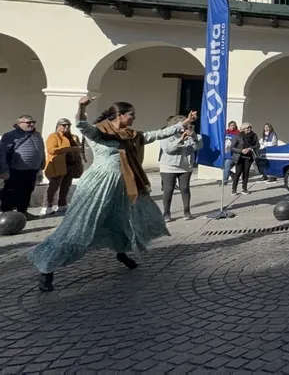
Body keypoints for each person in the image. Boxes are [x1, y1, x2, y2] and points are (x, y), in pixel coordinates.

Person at [28, 98, 195, 292]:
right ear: (120, 115)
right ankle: (47, 268)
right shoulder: (99, 132)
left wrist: (182, 124)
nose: (134, 118)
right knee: (78, 225)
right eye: (131, 114)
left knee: (123, 219)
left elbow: (154, 134)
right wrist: (82, 107)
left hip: (122, 185)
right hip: (99, 184)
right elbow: (81, 124)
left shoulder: (130, 135)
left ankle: (122, 253)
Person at [158, 115, 203, 221]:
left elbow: (198, 146)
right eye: (185, 125)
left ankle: (187, 211)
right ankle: (166, 213)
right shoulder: (166, 135)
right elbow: (168, 149)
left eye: (188, 125)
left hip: (185, 166)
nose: (187, 126)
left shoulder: (192, 134)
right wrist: (180, 140)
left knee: (185, 188)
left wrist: (194, 137)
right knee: (168, 189)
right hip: (169, 166)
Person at [0, 114, 45, 217]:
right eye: (28, 122)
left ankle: (23, 212)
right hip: (16, 169)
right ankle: (7, 214)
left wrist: (42, 163)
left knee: (28, 190)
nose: (32, 124)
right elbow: (3, 153)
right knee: (11, 191)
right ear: (19, 124)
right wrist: (4, 170)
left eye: (33, 122)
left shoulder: (37, 135)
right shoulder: (10, 136)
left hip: (32, 169)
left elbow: (41, 149)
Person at [42, 118, 84, 216]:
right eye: (64, 125)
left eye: (68, 125)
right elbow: (51, 150)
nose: (66, 127)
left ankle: (62, 205)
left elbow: (78, 150)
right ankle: (46, 206)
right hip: (59, 165)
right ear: (58, 126)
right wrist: (68, 149)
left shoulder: (74, 137)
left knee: (66, 187)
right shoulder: (54, 136)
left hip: (72, 165)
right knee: (53, 186)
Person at [230, 122, 258, 195]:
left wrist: (250, 148)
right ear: (243, 129)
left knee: (246, 173)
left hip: (249, 157)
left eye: (250, 127)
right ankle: (234, 189)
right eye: (247, 128)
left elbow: (257, 146)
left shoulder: (254, 136)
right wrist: (241, 151)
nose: (249, 129)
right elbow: (232, 148)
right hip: (239, 157)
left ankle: (244, 189)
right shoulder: (237, 136)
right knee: (238, 173)